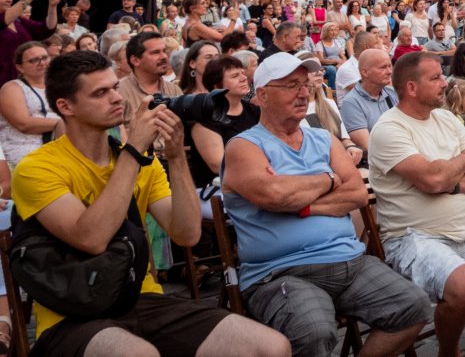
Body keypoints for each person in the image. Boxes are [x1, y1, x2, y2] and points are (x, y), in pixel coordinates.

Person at [11, 50, 288, 356]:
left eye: (115, 87)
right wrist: (134, 149)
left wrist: (175, 156)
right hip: (71, 312)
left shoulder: (142, 161)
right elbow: (91, 238)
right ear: (66, 106)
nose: (116, 98)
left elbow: (186, 234)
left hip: (140, 298)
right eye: (100, 93)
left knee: (271, 347)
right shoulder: (37, 168)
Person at [221, 52, 428, 357]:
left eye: (306, 84)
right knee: (313, 332)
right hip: (283, 273)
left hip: (351, 262)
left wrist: (301, 201)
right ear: (262, 95)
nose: (304, 92)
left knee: (414, 306)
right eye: (292, 85)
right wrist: (330, 178)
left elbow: (357, 194)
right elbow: (276, 195)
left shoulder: (323, 138)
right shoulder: (244, 146)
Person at [367, 52, 465, 357]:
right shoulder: (389, 129)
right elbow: (431, 180)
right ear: (411, 87)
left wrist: (451, 175)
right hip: (413, 238)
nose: (446, 83)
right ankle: (449, 352)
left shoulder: (445, 118)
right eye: (436, 78)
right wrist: (461, 165)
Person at [186, 55, 261, 205]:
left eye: (242, 73)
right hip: (214, 190)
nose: (242, 78)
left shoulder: (254, 111)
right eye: (234, 76)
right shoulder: (205, 119)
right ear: (217, 86)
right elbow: (218, 165)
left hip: (255, 180)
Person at [0, 42, 61, 169]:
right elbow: (23, 124)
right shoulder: (12, 88)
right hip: (24, 150)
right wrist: (64, 123)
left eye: (45, 57)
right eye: (34, 60)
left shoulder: (59, 85)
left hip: (57, 147)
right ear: (20, 67)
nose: (42, 63)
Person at [1, 0, 63, 86]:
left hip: (26, 81)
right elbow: (3, 21)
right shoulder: (6, 20)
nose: (9, 0)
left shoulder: (18, 20)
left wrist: (52, 6)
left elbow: (45, 30)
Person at [339, 48, 398, 156]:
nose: (389, 72)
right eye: (383, 67)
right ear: (365, 72)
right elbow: (369, 146)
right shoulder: (351, 102)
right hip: (383, 162)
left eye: (390, 66)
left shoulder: (393, 93)